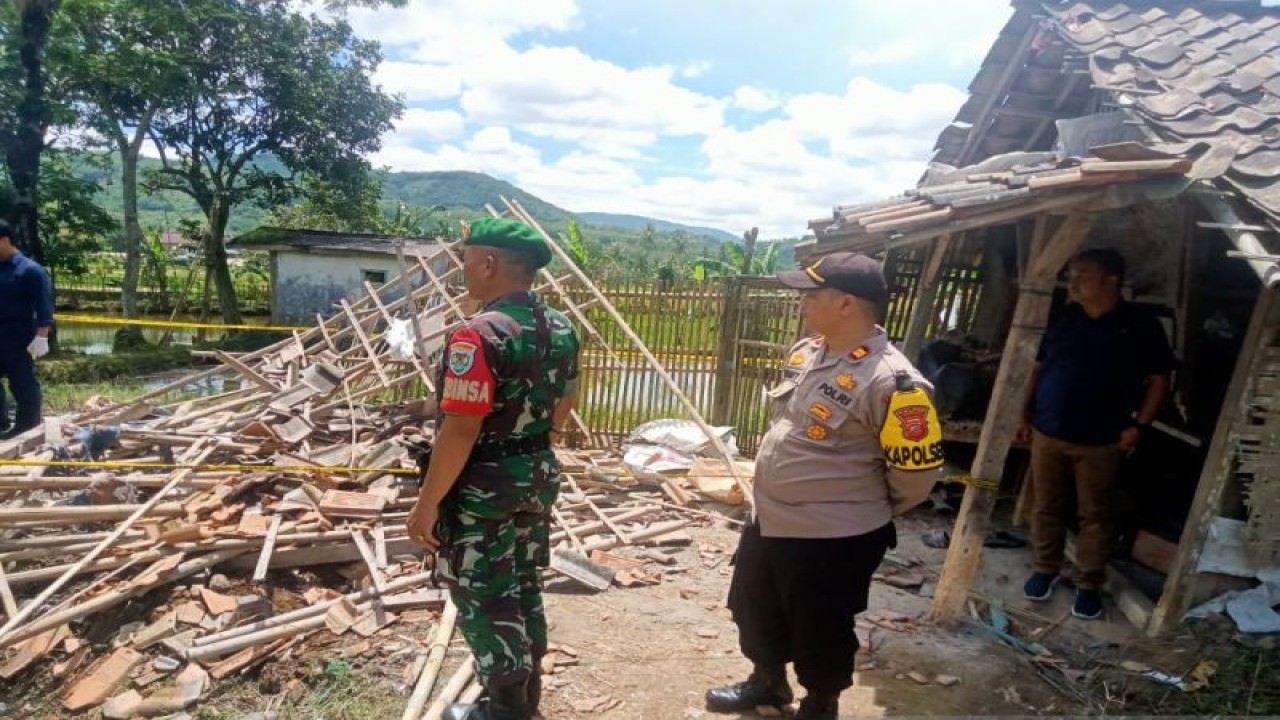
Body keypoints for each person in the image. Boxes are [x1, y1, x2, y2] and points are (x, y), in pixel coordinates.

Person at [705, 252, 943, 720]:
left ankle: (819, 704)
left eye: (812, 294)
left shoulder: (895, 384)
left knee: (821, 626)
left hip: (832, 534)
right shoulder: (809, 352)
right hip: (772, 517)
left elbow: (915, 477)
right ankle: (768, 683)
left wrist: (856, 508)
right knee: (754, 604)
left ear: (846, 303)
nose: (803, 302)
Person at [407, 217, 580, 720]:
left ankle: (505, 708)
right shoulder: (560, 327)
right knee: (523, 581)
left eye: (465, 261)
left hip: (484, 484)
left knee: (483, 590)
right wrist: (538, 442)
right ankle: (526, 694)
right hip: (536, 473)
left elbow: (461, 429)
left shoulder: (477, 335)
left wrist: (427, 503)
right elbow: (567, 397)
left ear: (488, 264)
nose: (462, 272)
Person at [1017, 248, 1175, 620]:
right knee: (1047, 505)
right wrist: (1023, 413)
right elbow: (1037, 370)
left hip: (1103, 439)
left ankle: (1088, 584)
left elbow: (1159, 380)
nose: (1072, 282)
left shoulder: (1140, 326)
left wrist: (1140, 425)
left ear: (1111, 279)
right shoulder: (1064, 319)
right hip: (1049, 430)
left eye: (1082, 274)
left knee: (1096, 515)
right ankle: (1044, 569)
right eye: (1071, 274)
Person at [0, 219, 54, 440]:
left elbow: (44, 306)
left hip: (18, 336)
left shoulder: (30, 270)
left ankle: (27, 428)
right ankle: (1, 423)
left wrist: (42, 336)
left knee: (22, 382)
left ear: (5, 241)